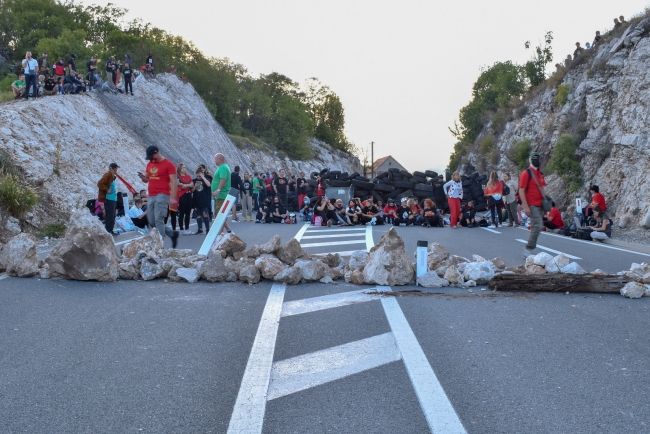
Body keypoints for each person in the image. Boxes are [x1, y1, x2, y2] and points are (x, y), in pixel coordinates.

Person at [137, 146, 180, 247]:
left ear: (157, 153)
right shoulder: (150, 164)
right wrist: (143, 178)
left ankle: (160, 245)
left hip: (163, 194)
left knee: (159, 219)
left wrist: (173, 197)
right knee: (151, 220)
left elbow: (174, 181)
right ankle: (172, 234)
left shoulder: (169, 164)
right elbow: (147, 179)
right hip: (151, 195)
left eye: (152, 156)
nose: (151, 159)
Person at [519, 151, 546, 255]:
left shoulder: (540, 173)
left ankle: (529, 248)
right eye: (534, 158)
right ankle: (528, 248)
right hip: (532, 204)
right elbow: (521, 190)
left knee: (538, 226)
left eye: (538, 158)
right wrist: (526, 206)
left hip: (541, 205)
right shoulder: (526, 173)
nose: (536, 160)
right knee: (538, 226)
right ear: (530, 160)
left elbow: (542, 188)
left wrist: (546, 201)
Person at [211, 153, 232, 235]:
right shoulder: (222, 167)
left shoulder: (223, 167)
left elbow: (223, 179)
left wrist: (218, 190)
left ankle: (221, 233)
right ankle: (226, 232)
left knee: (219, 215)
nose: (214, 161)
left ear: (219, 159)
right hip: (221, 195)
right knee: (220, 215)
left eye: (215, 159)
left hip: (222, 194)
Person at [97, 163, 119, 234]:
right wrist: (107, 190)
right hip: (109, 199)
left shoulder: (112, 176)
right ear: (111, 168)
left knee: (112, 215)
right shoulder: (107, 174)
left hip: (113, 199)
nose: (116, 171)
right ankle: (108, 230)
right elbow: (100, 183)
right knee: (110, 215)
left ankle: (110, 230)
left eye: (116, 169)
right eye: (115, 169)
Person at [174, 163, 194, 235]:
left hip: (189, 194)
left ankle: (187, 228)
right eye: (182, 168)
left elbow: (192, 184)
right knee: (182, 213)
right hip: (182, 195)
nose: (184, 169)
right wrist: (186, 186)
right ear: (179, 169)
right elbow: (180, 185)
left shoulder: (188, 176)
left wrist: (186, 185)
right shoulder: (178, 177)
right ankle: (181, 228)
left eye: (185, 167)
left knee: (188, 213)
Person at [192, 167, 212, 235]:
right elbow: (191, 190)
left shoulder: (206, 180)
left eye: (199, 176)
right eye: (197, 176)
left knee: (205, 215)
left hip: (204, 201)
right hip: (196, 201)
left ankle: (207, 229)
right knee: (198, 215)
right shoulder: (194, 181)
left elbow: (209, 185)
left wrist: (203, 177)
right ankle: (200, 229)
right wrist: (195, 186)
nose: (198, 177)